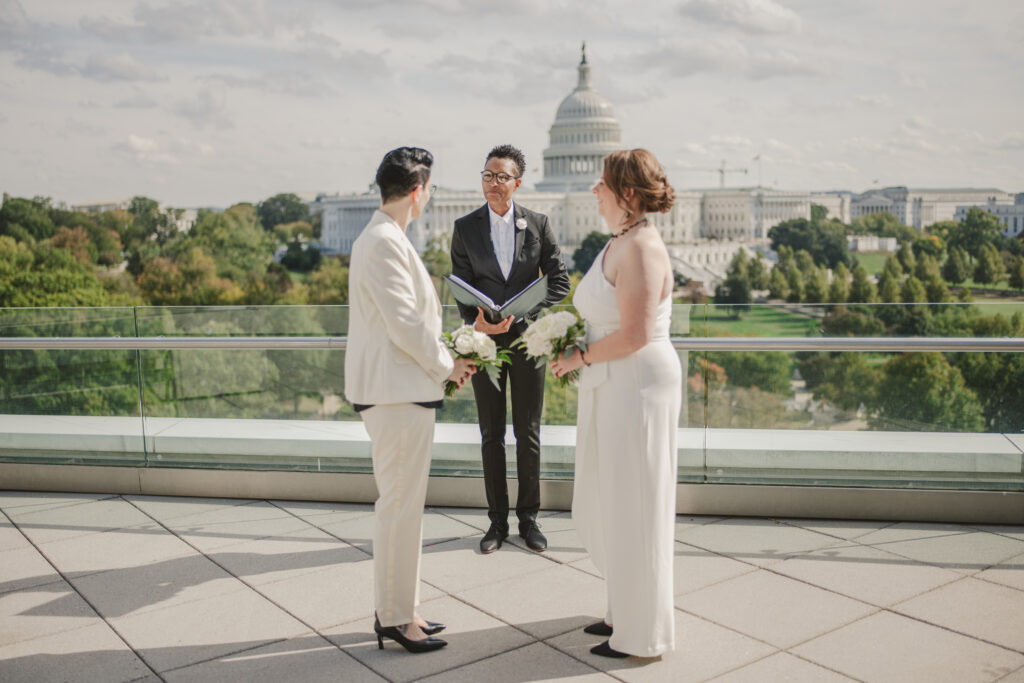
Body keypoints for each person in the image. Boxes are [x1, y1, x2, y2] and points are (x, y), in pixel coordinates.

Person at [345, 146, 477, 654]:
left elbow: (407, 325)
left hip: (402, 390)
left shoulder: (386, 237)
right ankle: (396, 619)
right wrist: (448, 366)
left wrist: (445, 361)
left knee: (405, 508)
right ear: (418, 191)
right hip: (396, 394)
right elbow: (406, 326)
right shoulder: (382, 241)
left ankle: (404, 609)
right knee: (399, 508)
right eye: (430, 189)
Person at [550, 149, 681, 659]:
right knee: (614, 497)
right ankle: (620, 611)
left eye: (601, 183)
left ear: (627, 193)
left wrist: (579, 356)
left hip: (637, 384)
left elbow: (635, 334)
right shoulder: (621, 241)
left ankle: (642, 633)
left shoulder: (643, 248)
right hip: (615, 382)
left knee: (637, 503)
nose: (592, 191)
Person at [450, 144, 571, 554]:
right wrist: (476, 322)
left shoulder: (537, 223)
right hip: (485, 344)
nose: (493, 183)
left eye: (501, 176)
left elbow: (559, 281)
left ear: (518, 182)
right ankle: (496, 523)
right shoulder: (464, 228)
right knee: (490, 434)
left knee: (528, 432)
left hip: (527, 341)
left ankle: (529, 519)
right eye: (487, 175)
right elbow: (461, 288)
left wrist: (525, 311)